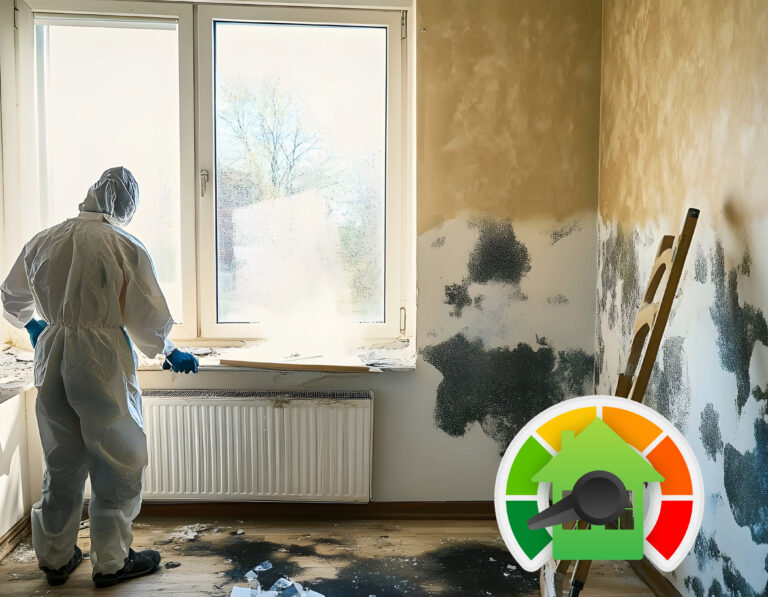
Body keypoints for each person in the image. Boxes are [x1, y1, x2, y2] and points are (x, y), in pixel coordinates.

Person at [1, 167, 199, 588]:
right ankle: (112, 562)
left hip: (52, 354)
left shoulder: (44, 240)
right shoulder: (123, 244)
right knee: (117, 458)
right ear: (125, 205)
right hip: (100, 359)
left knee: (61, 460)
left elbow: (11, 295)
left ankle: (55, 559)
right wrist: (169, 351)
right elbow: (146, 314)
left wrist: (33, 325)